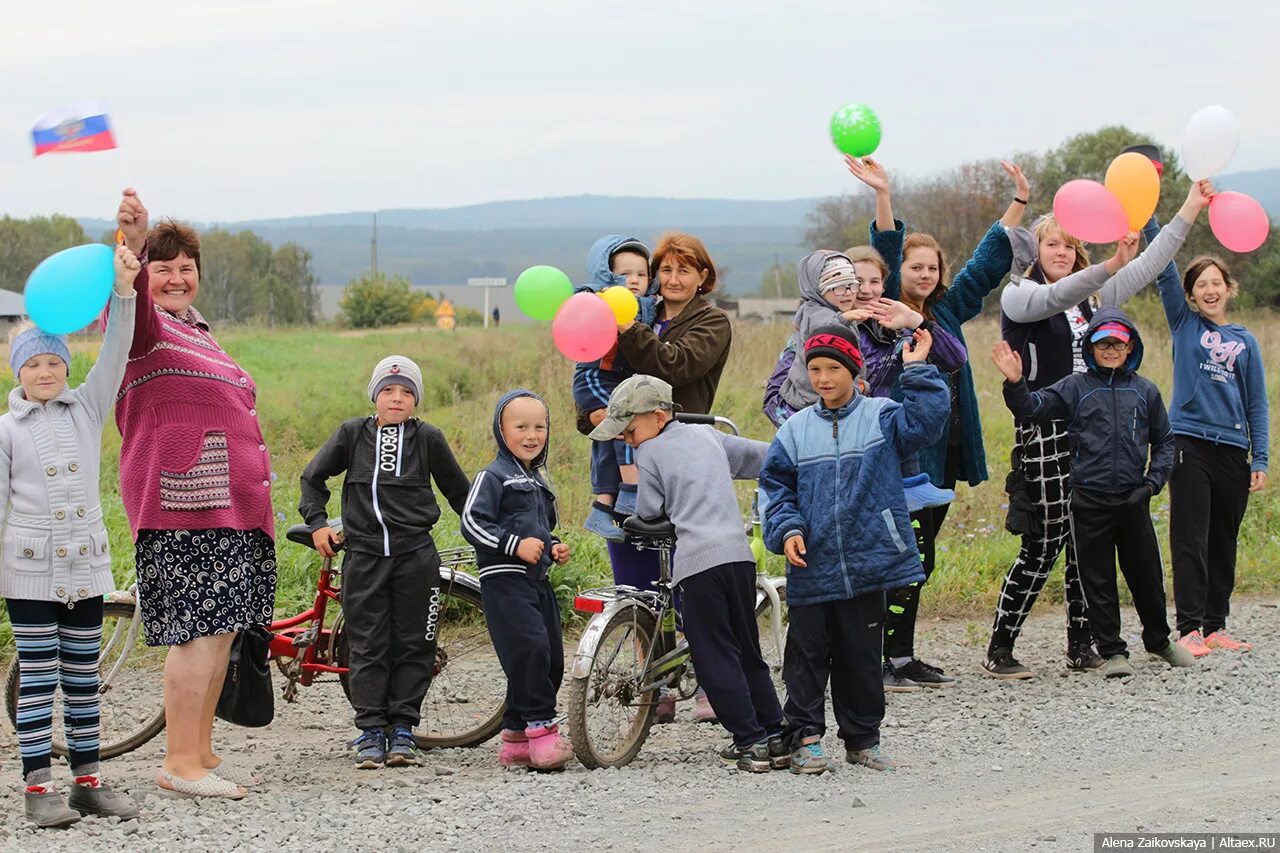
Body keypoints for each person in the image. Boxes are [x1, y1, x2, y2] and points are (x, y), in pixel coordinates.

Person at [981, 179, 1213, 679]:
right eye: (1052, 244)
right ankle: (1001, 647)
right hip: (1044, 427)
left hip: (1094, 434)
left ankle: (1084, 644)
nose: (1061, 252)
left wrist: (1190, 208)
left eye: (1070, 245)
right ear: (1037, 251)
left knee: (1086, 549)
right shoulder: (1020, 294)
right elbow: (1058, 294)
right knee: (1043, 545)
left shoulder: (1092, 295)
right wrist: (1107, 266)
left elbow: (1151, 263)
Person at [114, 189, 278, 799]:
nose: (178, 277)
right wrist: (131, 244)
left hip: (232, 509)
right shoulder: (144, 332)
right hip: (183, 505)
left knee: (223, 632)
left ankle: (200, 751)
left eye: (187, 267)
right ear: (145, 277)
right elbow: (126, 313)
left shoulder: (199, 332)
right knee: (197, 634)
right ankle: (179, 762)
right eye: (165, 268)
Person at [852, 155, 1027, 689]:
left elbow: (987, 263)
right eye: (914, 266)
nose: (924, 275)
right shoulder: (882, 309)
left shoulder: (946, 312)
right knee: (900, 552)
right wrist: (884, 195)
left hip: (943, 451)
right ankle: (879, 656)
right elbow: (883, 248)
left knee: (921, 555)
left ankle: (900, 656)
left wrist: (1018, 203)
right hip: (901, 453)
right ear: (896, 273)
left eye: (931, 267)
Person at [760, 324, 949, 774]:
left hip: (869, 563)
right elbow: (775, 488)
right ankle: (806, 737)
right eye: (815, 369)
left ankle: (863, 739)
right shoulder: (795, 431)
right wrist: (787, 529)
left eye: (833, 368)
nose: (823, 378)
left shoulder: (883, 417)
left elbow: (928, 422)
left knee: (861, 656)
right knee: (805, 656)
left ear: (853, 369)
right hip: (813, 566)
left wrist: (917, 368)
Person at [1, 246, 143, 828]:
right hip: (29, 572)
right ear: (17, 372)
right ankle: (39, 787)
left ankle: (88, 782)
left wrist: (126, 292)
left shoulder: (87, 408)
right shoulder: (6, 429)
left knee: (83, 681)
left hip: (85, 568)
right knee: (37, 677)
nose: (44, 373)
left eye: (52, 363)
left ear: (64, 367)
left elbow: (115, 351)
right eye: (32, 365)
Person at [589, 375, 787, 772]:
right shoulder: (708, 436)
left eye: (629, 430)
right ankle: (777, 733)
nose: (626, 439)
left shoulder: (649, 453)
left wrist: (636, 517)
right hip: (738, 558)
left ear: (659, 416)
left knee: (713, 655)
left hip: (698, 563)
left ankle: (749, 741)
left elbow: (648, 510)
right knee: (746, 650)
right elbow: (762, 457)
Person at [579, 231, 732, 724]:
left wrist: (625, 323)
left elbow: (675, 366)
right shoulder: (638, 311)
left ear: (703, 277)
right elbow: (592, 371)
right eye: (665, 269)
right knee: (637, 579)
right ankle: (655, 683)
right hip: (625, 459)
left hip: (683, 460)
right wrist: (591, 416)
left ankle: (709, 678)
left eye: (684, 270)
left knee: (691, 576)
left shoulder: (710, 321)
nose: (672, 279)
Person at [992, 311, 1195, 677]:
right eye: (1103, 343)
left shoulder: (1145, 391)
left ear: (1130, 345)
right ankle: (1114, 652)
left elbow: (1165, 441)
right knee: (1096, 581)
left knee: (1147, 575)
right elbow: (1030, 409)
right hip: (1088, 500)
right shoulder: (1074, 386)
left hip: (1134, 498)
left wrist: (1152, 484)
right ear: (1090, 347)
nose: (1111, 349)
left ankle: (1160, 641)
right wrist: (1015, 382)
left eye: (1117, 342)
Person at [299, 355, 470, 769]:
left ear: (416, 400)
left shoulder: (428, 438)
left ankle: (404, 732)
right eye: (389, 391)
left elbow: (461, 494)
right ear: (375, 395)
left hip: (415, 557)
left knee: (415, 645)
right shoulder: (351, 434)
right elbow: (312, 478)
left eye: (407, 392)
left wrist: (491, 535)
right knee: (367, 645)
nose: (397, 398)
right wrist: (318, 523)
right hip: (364, 557)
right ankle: (371, 731)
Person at [1150, 248, 1269, 656]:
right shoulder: (1184, 324)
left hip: (1234, 450)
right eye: (1201, 284)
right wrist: (1151, 221)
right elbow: (1164, 269)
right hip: (1189, 444)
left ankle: (1216, 625)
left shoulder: (1246, 341)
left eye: (1216, 282)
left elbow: (1257, 402)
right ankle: (1189, 630)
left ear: (1229, 288)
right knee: (1190, 538)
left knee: (1223, 540)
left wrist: (1262, 457)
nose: (1210, 289)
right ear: (1191, 295)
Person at [461, 391, 574, 771]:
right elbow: (472, 522)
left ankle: (515, 738)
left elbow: (540, 529)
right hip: (504, 580)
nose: (532, 435)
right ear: (501, 430)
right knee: (529, 650)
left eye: (539, 426)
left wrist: (552, 546)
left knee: (551, 657)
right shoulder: (492, 476)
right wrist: (512, 545)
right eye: (521, 426)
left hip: (537, 580)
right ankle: (542, 732)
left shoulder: (537, 479)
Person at [571, 236, 657, 542]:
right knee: (625, 422)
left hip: (623, 383)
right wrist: (593, 294)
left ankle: (602, 508)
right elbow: (577, 301)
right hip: (596, 377)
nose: (633, 281)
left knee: (608, 440)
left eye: (641, 274)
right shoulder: (599, 298)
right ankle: (632, 494)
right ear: (607, 276)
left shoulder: (650, 306)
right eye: (624, 274)